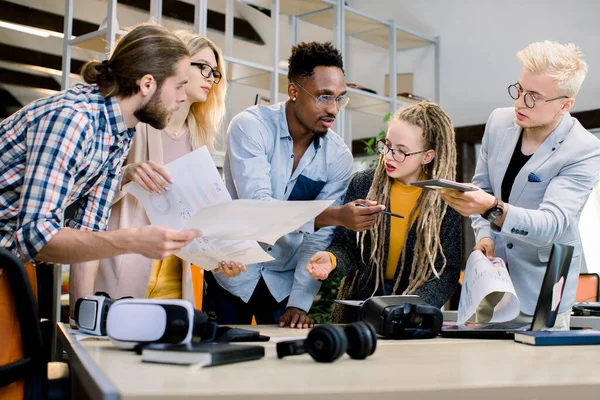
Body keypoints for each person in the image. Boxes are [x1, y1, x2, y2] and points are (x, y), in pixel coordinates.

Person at [0, 24, 200, 399]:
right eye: (178, 85)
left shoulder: (117, 132)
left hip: (10, 265)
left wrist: (82, 324)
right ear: (146, 84)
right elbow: (36, 236)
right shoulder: (73, 119)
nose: (182, 97)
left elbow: (86, 231)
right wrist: (133, 241)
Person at [203, 41, 384, 329]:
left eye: (339, 99)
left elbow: (317, 239)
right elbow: (258, 208)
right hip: (232, 270)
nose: (333, 109)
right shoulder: (250, 127)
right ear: (293, 91)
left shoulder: (337, 157)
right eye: (324, 97)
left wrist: (300, 302)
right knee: (218, 358)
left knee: (281, 369)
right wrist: (334, 216)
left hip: (282, 283)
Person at [69, 30, 245, 313]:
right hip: (124, 262)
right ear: (176, 62)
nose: (211, 79)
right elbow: (87, 193)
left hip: (176, 274)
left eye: (216, 73)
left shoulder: (200, 138)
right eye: (203, 68)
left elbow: (198, 212)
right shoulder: (135, 120)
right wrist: (128, 173)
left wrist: (218, 255)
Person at [439, 41, 600, 330]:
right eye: (519, 90)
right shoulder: (499, 122)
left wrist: (492, 208)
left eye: (533, 97)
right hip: (492, 285)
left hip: (542, 292)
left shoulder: (584, 149)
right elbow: (482, 186)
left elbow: (552, 224)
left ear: (565, 104)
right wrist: (485, 235)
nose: (519, 102)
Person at [306, 102, 462, 322]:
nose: (388, 156)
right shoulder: (364, 184)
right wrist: (331, 259)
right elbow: (347, 247)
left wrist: (411, 307)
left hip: (411, 314)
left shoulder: (446, 200)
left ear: (427, 156)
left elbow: (447, 271)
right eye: (387, 145)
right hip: (358, 310)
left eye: (401, 152)